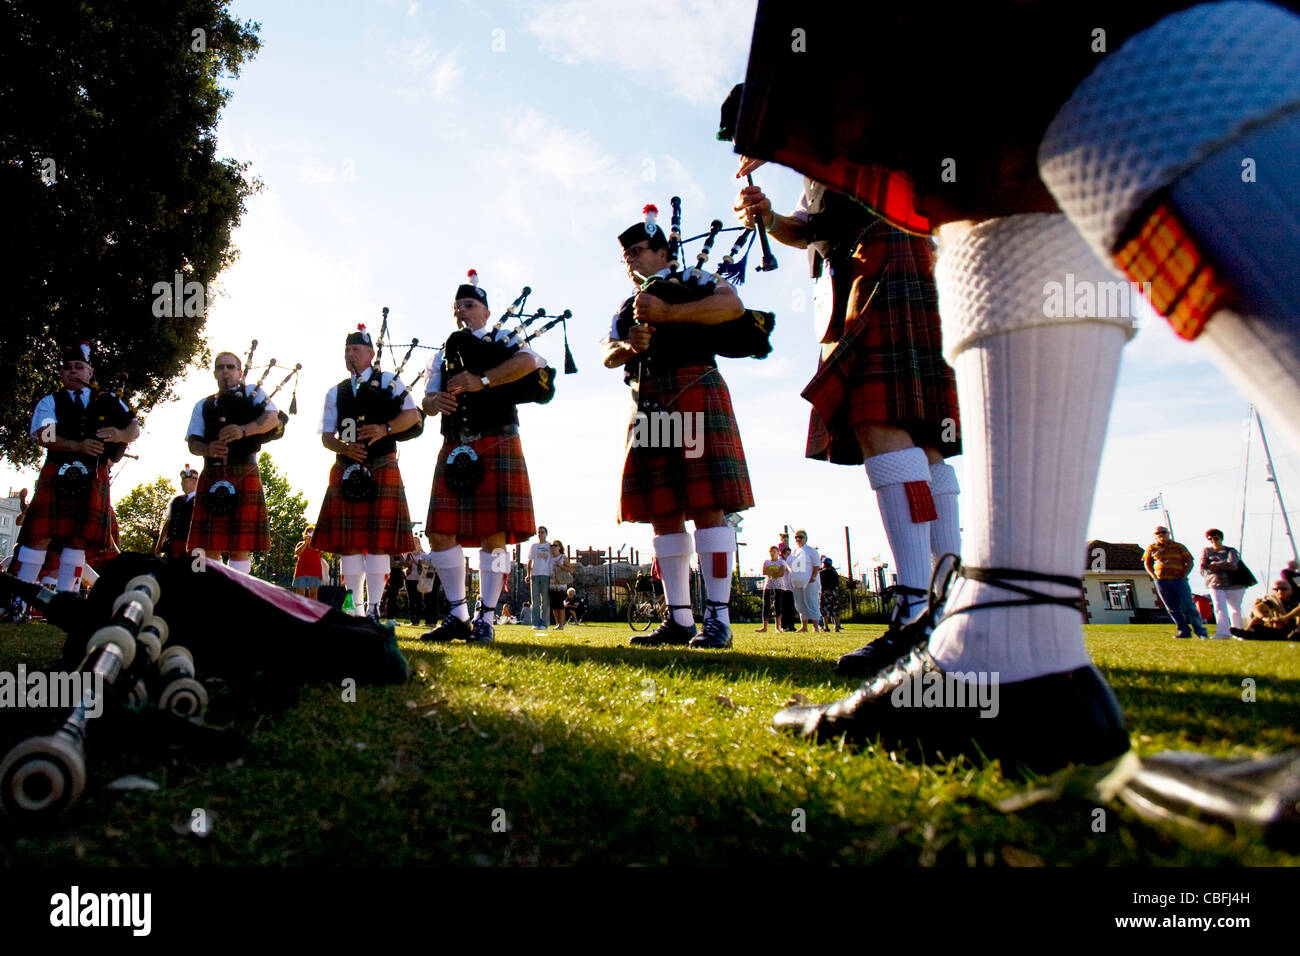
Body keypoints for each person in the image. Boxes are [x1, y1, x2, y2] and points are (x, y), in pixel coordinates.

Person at [732, 129, 961, 671]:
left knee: (880, 418)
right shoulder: (823, 162)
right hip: (877, 258)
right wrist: (768, 219)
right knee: (923, 438)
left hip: (880, 252)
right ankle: (950, 602)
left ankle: (914, 610)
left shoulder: (848, 111)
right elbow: (810, 226)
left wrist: (783, 136)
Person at [602, 204, 755, 649]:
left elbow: (732, 305)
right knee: (664, 511)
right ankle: (680, 619)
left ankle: (719, 620)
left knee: (707, 505)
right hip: (651, 400)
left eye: (637, 250)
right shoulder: (626, 306)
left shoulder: (695, 282)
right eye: (625, 255)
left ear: (664, 251)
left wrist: (669, 314)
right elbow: (606, 353)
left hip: (693, 386)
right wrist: (629, 346)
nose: (630, 259)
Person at [422, 271, 543, 644]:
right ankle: (458, 613)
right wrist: (434, 402)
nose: (461, 310)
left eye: (469, 304)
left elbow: (531, 364)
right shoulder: (443, 353)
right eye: (457, 305)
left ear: (486, 312)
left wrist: (483, 381)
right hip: (456, 445)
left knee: (494, 535)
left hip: (496, 440)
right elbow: (426, 401)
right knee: (439, 532)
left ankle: (486, 617)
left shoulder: (505, 340)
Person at [13, 342, 140, 593]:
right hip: (59, 473)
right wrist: (77, 445)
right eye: (68, 368)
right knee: (40, 536)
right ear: (61, 374)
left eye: (78, 367)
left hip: (93, 474)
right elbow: (43, 435)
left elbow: (133, 429)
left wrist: (117, 433)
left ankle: (66, 598)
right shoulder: (50, 402)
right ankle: (22, 599)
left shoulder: (109, 401)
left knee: (78, 539)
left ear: (90, 372)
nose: (73, 371)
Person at [314, 323, 421, 617]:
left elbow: (411, 415)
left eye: (356, 349)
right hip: (347, 468)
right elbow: (326, 436)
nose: (350, 354)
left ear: (371, 353)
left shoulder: (388, 380)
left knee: (377, 544)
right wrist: (344, 448)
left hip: (382, 464)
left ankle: (373, 607)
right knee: (349, 545)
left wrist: (385, 428)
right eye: (347, 350)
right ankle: (354, 607)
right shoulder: (336, 392)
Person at [185, 351, 282, 575]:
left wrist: (243, 430)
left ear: (240, 372)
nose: (225, 371)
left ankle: (236, 597)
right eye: (220, 367)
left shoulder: (254, 394)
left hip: (244, 470)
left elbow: (272, 418)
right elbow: (193, 442)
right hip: (212, 472)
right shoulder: (204, 405)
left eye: (230, 367)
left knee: (239, 548)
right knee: (207, 547)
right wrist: (207, 448)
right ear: (214, 374)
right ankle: (212, 599)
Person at [1144, 527, 1210, 639]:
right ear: (1154, 535)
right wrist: (1154, 576)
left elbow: (1189, 561)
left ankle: (1201, 632)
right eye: (1157, 533)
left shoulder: (1179, 546)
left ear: (1168, 533)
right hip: (1162, 581)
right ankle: (1183, 631)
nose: (1161, 534)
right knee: (1172, 608)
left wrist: (1184, 574)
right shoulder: (1151, 548)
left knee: (1188, 606)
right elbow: (1147, 563)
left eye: (1163, 532)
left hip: (1178, 580)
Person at [1200, 528, 1251, 639]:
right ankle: (1223, 633)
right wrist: (1221, 565)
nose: (1213, 540)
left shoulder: (1231, 551)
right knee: (1219, 607)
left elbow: (1233, 564)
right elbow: (1203, 566)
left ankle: (1238, 632)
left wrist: (1214, 564)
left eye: (1216, 538)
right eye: (1210, 539)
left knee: (1235, 609)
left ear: (1221, 538)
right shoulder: (1206, 551)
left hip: (1234, 584)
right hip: (1214, 583)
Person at [155, 465, 199, 559]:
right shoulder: (176, 500)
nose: (181, 483)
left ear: (194, 482)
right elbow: (167, 524)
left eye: (184, 481)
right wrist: (159, 544)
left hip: (192, 548)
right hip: (170, 546)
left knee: (192, 572)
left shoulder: (201, 501)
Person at [787, 529, 822, 632]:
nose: (798, 539)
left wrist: (813, 577)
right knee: (800, 604)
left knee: (811, 603)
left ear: (806, 538)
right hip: (797, 583)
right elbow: (788, 564)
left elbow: (816, 565)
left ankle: (816, 627)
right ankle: (804, 626)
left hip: (809, 582)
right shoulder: (793, 552)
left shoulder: (811, 551)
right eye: (796, 537)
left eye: (800, 537)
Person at [525, 527, 553, 630]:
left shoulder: (549, 546)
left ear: (546, 533)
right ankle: (535, 623)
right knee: (535, 600)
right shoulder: (534, 546)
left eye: (542, 532)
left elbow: (553, 560)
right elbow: (530, 561)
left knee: (545, 600)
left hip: (546, 574)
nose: (540, 534)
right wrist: (528, 574)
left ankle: (544, 623)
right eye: (539, 532)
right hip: (535, 574)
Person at [758, 544, 787, 632]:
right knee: (766, 605)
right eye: (771, 552)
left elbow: (781, 573)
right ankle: (764, 627)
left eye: (774, 552)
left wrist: (771, 572)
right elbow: (764, 571)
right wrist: (774, 572)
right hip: (768, 586)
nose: (772, 553)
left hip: (779, 586)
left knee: (777, 605)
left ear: (778, 553)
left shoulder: (781, 562)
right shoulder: (766, 562)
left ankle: (777, 627)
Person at [292, 525, 324, 600]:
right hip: (301, 572)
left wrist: (313, 542)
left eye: (312, 532)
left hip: (315, 572)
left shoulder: (318, 545)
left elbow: (320, 551)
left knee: (313, 595)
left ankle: (312, 611)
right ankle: (300, 611)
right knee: (300, 596)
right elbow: (297, 553)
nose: (311, 534)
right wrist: (306, 543)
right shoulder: (300, 543)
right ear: (305, 534)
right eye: (309, 532)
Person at [548, 540, 574, 629]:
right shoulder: (549, 558)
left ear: (559, 547)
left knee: (560, 604)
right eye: (552, 545)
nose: (553, 547)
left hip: (560, 585)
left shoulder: (563, 557)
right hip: (551, 584)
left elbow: (570, 569)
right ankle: (557, 623)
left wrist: (560, 565)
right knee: (554, 605)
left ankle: (561, 624)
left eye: (555, 545)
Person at [820, 556, 842, 632]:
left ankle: (826, 626)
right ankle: (836, 626)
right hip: (833, 592)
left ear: (824, 564)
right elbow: (837, 583)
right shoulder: (834, 572)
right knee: (835, 610)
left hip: (824, 592)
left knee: (824, 610)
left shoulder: (821, 573)